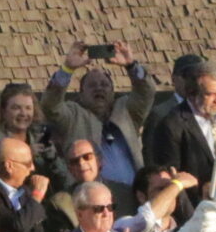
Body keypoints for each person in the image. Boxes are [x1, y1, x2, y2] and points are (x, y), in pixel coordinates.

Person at [45, 43, 152, 204]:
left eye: (104, 85)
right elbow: (50, 105)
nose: (99, 89)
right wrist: (67, 69)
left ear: (113, 91)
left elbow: (146, 92)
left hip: (134, 197)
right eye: (92, 85)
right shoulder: (73, 115)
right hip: (90, 200)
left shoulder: (126, 110)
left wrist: (131, 65)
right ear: (81, 94)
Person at [144, 59, 216, 192]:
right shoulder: (172, 125)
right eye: (210, 94)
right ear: (192, 95)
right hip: (199, 199)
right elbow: (171, 177)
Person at [0, 82, 50, 177]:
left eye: (28, 108)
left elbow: (62, 177)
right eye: (16, 108)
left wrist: (52, 158)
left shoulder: (37, 138)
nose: (23, 113)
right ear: (3, 111)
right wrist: (24, 156)